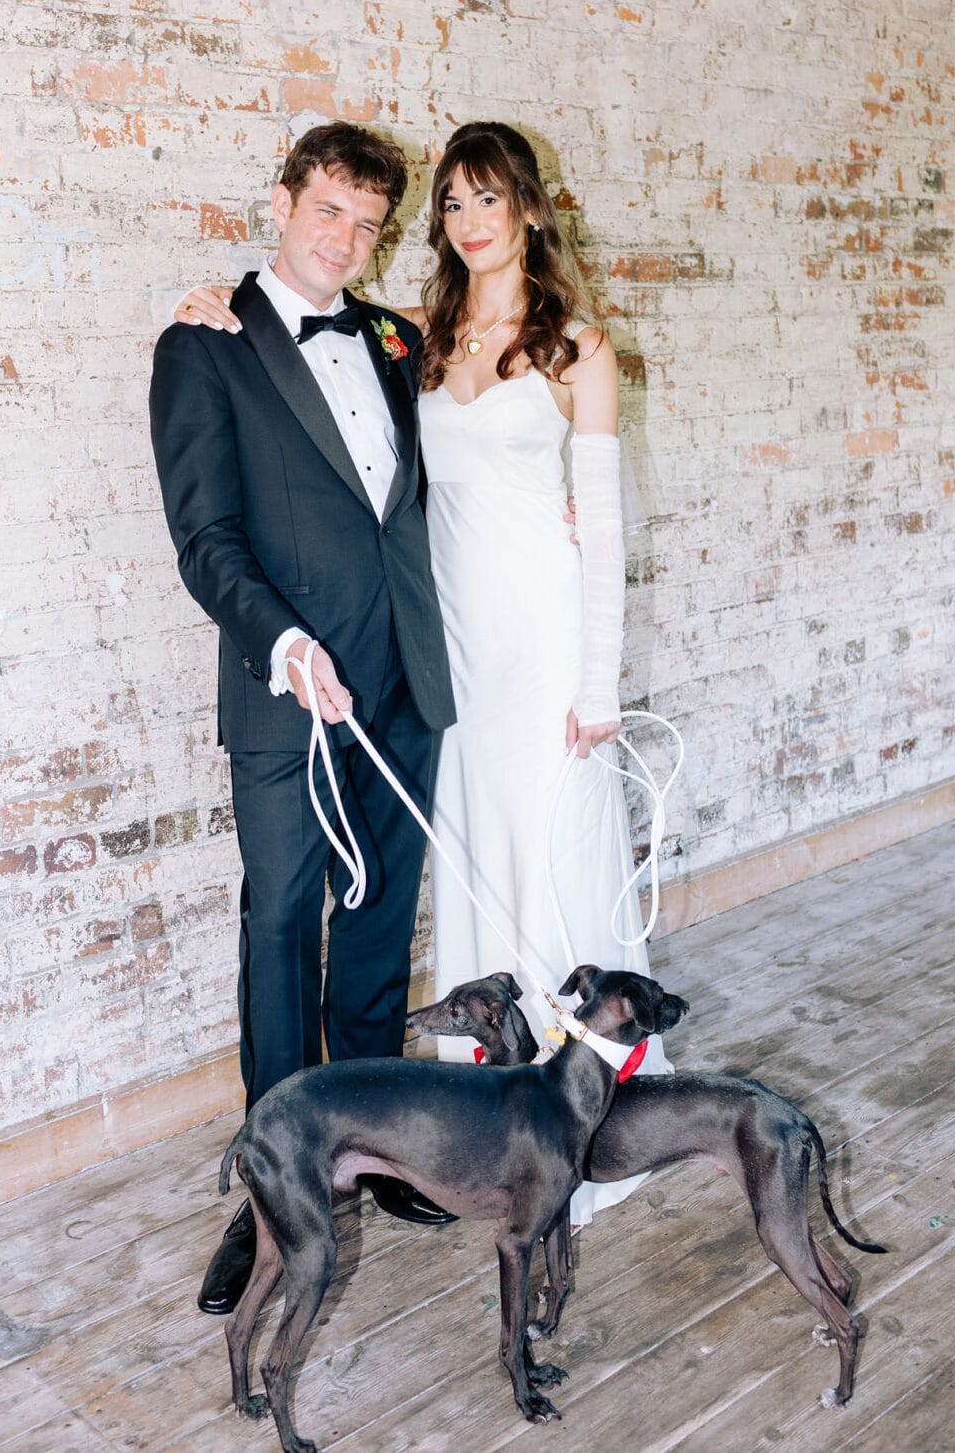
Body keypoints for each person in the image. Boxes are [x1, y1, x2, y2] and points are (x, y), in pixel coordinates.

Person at [177, 120, 671, 1231]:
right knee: (426, 878)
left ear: (530, 207)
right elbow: (241, 506)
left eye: (488, 198)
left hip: (529, 645)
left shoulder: (557, 348)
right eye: (452, 202)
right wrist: (211, 304)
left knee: (537, 861)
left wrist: (597, 682)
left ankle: (568, 1124)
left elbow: (599, 527)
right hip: (429, 659)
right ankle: (354, 1163)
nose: (469, 220)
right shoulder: (419, 342)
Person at [150, 123, 458, 1319]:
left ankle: (376, 1150)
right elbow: (204, 537)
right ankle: (276, 1188)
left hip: (403, 682)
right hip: (287, 689)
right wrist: (285, 646)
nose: (343, 238)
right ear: (280, 204)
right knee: (280, 927)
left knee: (376, 922)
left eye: (367, 223)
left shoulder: (394, 341)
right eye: (327, 209)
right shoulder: (204, 344)